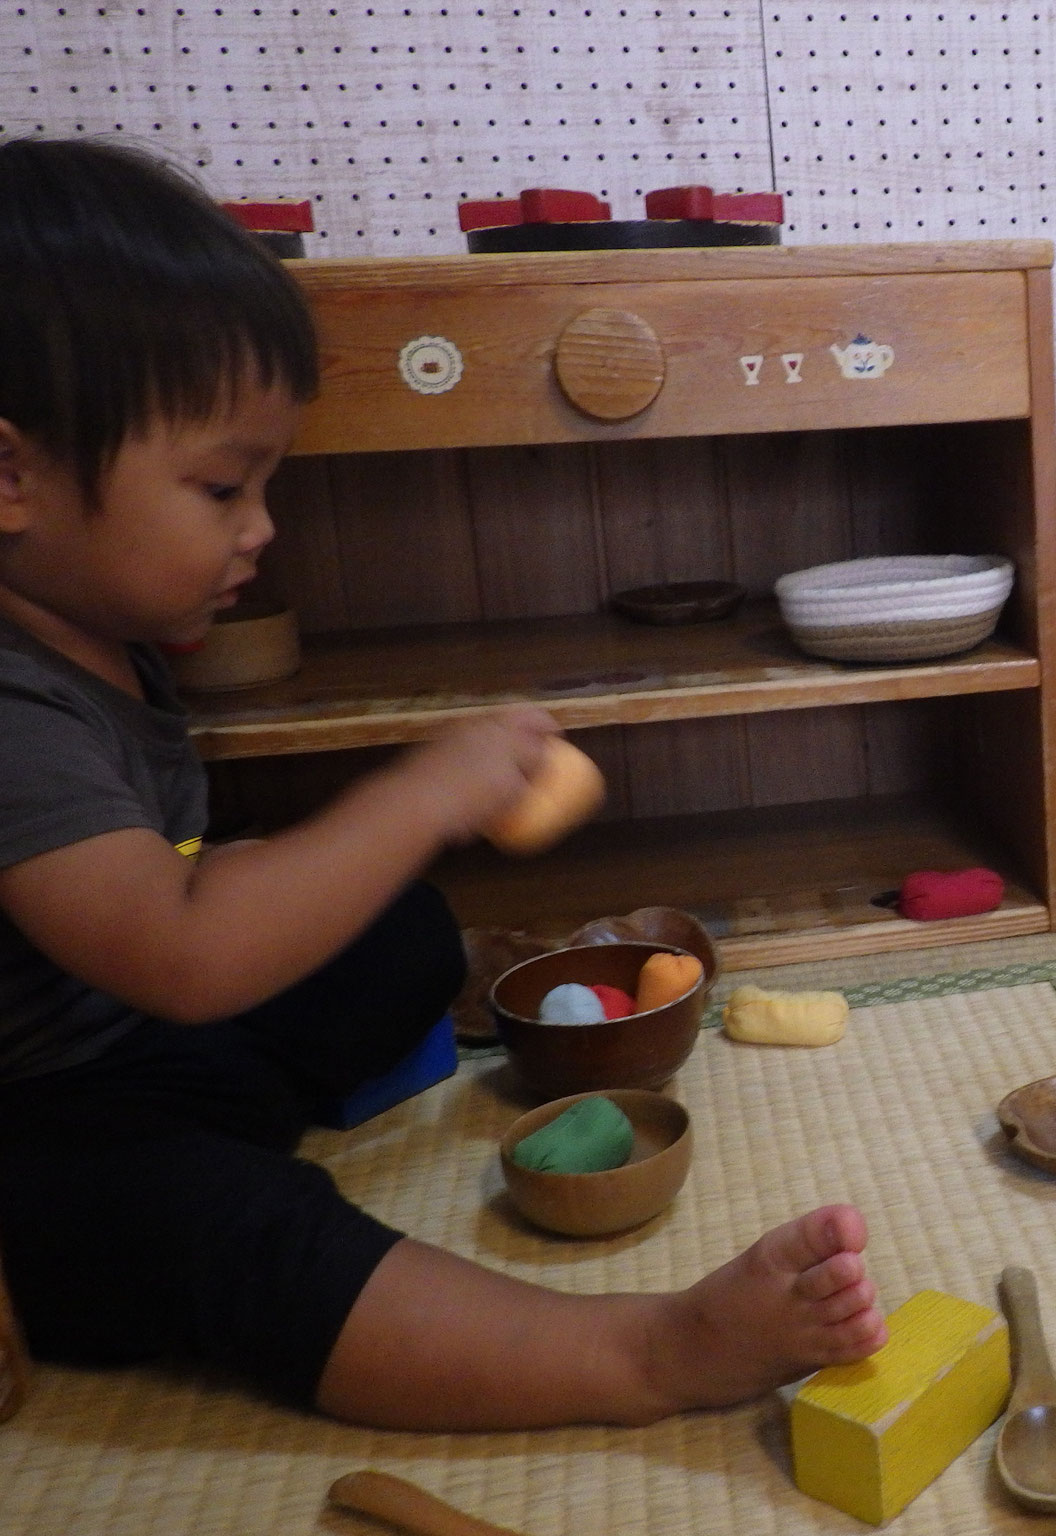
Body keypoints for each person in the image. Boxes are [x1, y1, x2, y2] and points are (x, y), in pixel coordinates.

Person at [0, 136, 887, 1431]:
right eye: (221, 487)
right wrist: (419, 796)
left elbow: (167, 890)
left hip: (142, 1042)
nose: (261, 527)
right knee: (221, 1224)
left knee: (398, 938)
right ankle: (644, 1354)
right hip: (43, 1126)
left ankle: (253, 1123)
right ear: (11, 477)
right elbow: (180, 952)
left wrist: (290, 873)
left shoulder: (95, 629)